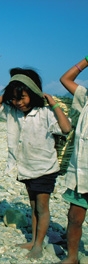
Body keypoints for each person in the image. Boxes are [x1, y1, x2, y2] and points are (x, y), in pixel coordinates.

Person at [0, 67, 71, 259]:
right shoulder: (14, 112)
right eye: (15, 99)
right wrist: (12, 89)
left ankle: (38, 245)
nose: (18, 103)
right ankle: (34, 240)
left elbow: (66, 128)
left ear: (33, 94)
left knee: (42, 209)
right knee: (33, 206)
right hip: (26, 167)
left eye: (23, 97)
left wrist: (53, 104)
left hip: (45, 168)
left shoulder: (45, 113)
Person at [58, 56, 88, 264]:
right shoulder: (85, 99)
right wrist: (86, 60)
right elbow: (66, 79)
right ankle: (72, 256)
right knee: (74, 218)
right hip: (82, 173)